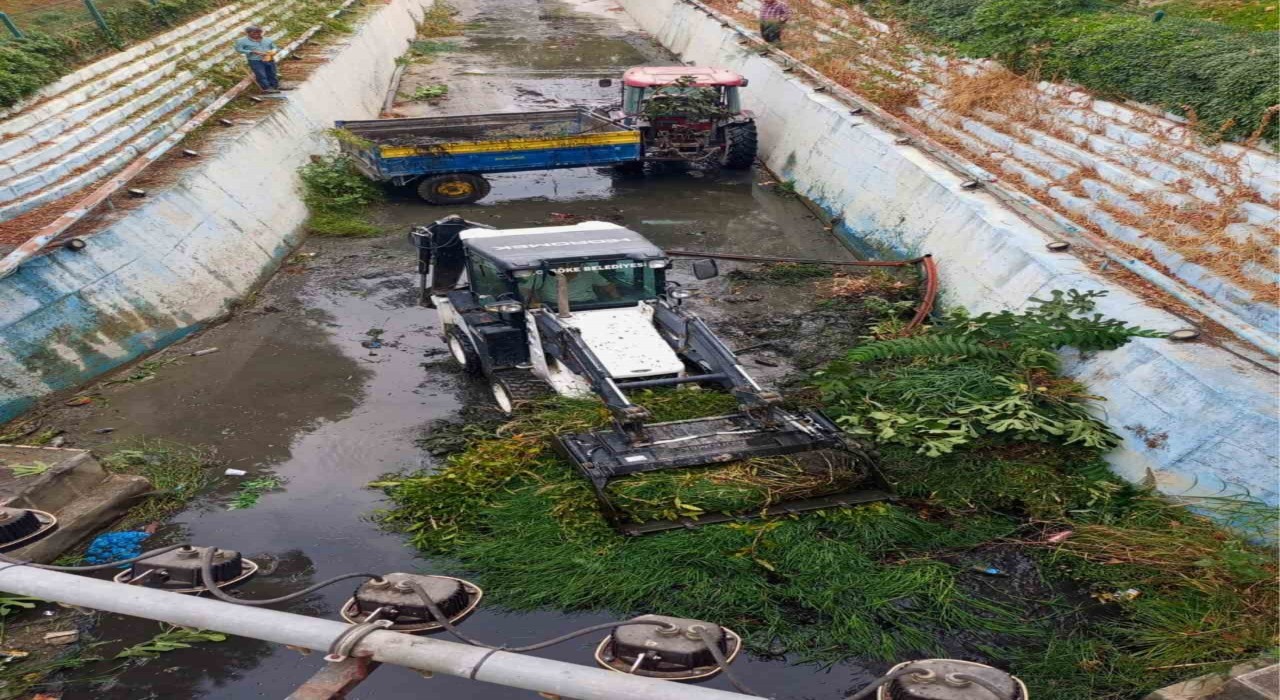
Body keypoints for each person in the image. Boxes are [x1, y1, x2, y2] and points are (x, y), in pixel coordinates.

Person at [234, 26, 281, 93]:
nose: (257, 35)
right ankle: (266, 88)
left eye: (258, 33)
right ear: (248, 33)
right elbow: (239, 49)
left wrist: (273, 51)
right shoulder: (241, 41)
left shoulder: (268, 39)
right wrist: (252, 52)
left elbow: (275, 47)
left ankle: (275, 86)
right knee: (261, 74)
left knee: (272, 73)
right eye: (254, 34)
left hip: (269, 58)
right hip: (255, 60)